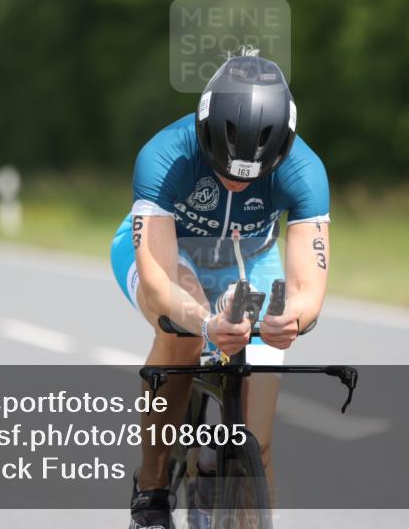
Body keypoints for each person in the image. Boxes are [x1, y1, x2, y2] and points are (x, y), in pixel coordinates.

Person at [110, 49, 330, 529]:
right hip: (171, 253)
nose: (235, 184)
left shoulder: (305, 170)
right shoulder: (165, 154)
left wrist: (290, 319)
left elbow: (307, 288)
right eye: (224, 169)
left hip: (247, 259)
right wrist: (206, 322)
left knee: (260, 439)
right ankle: (150, 495)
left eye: (251, 175)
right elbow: (160, 280)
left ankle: (224, 479)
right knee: (182, 334)